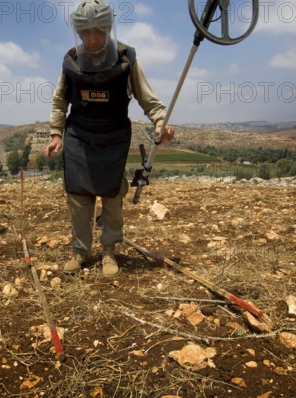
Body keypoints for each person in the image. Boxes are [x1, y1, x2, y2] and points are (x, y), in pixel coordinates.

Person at [44, 0, 174, 275]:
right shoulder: (71, 61)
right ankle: (80, 252)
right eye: (85, 33)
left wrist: (160, 122)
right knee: (78, 196)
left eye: (98, 31)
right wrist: (57, 133)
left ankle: (109, 251)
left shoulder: (126, 59)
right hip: (79, 135)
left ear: (108, 28)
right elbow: (59, 102)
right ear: (78, 33)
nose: (92, 39)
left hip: (113, 135)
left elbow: (147, 98)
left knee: (112, 195)